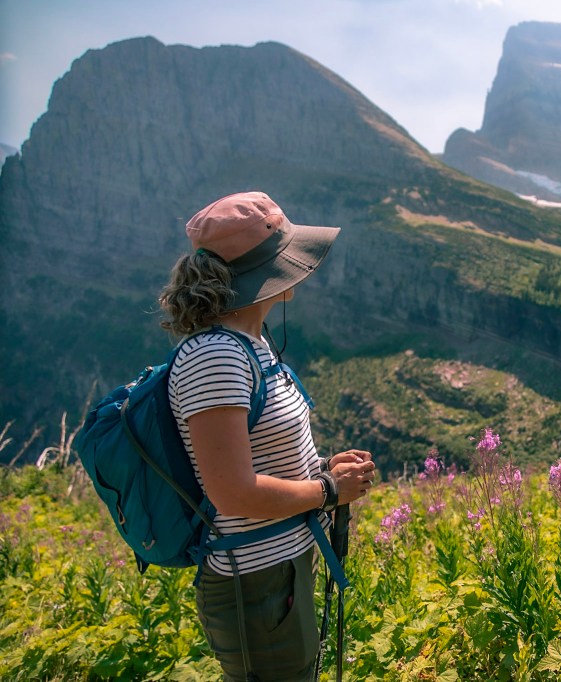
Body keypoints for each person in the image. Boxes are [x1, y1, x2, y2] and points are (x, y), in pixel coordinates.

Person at [158, 190, 376, 681]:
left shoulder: (250, 344)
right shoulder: (216, 356)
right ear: (264, 269)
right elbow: (232, 491)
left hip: (279, 569)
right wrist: (327, 491)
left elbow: (257, 461)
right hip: (254, 581)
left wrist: (321, 471)